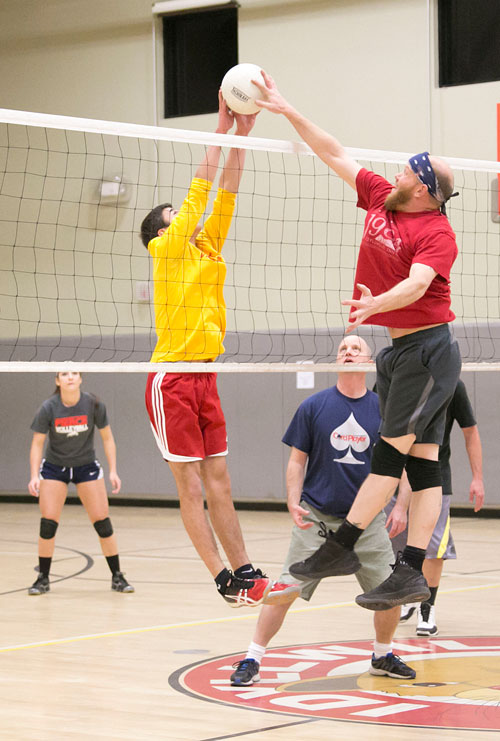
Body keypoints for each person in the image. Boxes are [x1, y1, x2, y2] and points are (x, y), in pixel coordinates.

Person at [253, 73, 461, 611]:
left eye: (405, 168)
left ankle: (342, 545)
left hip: (429, 350)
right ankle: (411, 571)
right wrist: (287, 108)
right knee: (425, 459)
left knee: (390, 456)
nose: (393, 171)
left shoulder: (436, 231)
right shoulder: (380, 198)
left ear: (420, 186)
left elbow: (417, 284)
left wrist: (376, 304)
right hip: (398, 352)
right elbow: (333, 150)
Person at [140, 90, 291, 609]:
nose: (190, 218)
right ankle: (220, 576)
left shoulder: (207, 248)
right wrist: (219, 130)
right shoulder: (167, 249)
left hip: (205, 375)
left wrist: (243, 139)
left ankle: (245, 570)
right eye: (175, 214)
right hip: (172, 378)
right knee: (190, 486)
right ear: (162, 230)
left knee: (220, 480)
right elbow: (199, 193)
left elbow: (224, 192)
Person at [230, 335, 416, 686]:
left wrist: (402, 506)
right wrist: (292, 499)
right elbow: (296, 462)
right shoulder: (313, 406)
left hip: (367, 519)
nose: (348, 353)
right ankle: (252, 658)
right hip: (317, 517)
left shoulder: (384, 410)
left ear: (368, 361)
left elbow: (403, 467)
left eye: (355, 349)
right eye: (343, 349)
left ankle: (383, 655)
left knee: (390, 592)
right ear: (336, 360)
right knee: (284, 589)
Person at [386, 377, 484, 635]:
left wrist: (477, 477)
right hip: (395, 475)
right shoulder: (396, 377)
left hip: (435, 478)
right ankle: (408, 596)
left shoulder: (453, 384)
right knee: (399, 544)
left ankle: (427, 607)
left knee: (433, 549)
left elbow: (470, 431)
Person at [28, 371, 134, 595]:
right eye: (64, 374)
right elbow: (38, 443)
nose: (69, 377)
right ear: (57, 381)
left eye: (74, 373)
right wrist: (34, 475)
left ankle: (117, 576)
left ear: (80, 378)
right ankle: (42, 578)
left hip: (86, 466)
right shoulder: (48, 408)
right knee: (48, 524)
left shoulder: (94, 405)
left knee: (102, 523)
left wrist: (113, 471)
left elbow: (108, 438)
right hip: (55, 467)